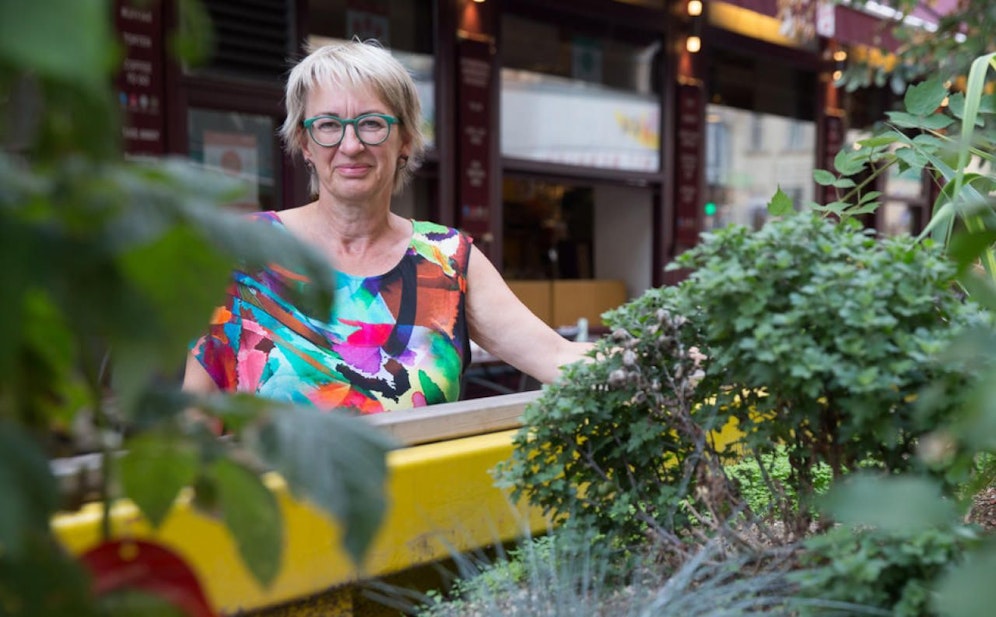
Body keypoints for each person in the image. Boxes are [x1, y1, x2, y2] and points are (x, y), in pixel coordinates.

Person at [183, 40, 591, 413]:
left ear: (407, 140)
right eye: (327, 125)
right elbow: (195, 421)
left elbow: (557, 357)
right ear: (305, 145)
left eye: (372, 123)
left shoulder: (446, 260)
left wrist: (648, 352)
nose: (350, 145)